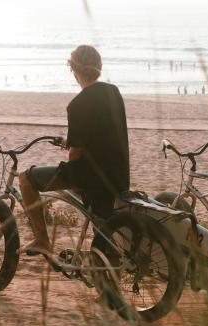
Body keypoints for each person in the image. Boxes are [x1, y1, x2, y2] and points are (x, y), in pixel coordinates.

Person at [19, 45, 130, 257]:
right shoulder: (113, 92)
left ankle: (42, 239)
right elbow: (102, 132)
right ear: (98, 67)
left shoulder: (78, 104)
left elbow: (76, 155)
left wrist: (72, 150)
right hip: (118, 175)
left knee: (26, 178)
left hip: (89, 178)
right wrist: (71, 141)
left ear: (74, 70)